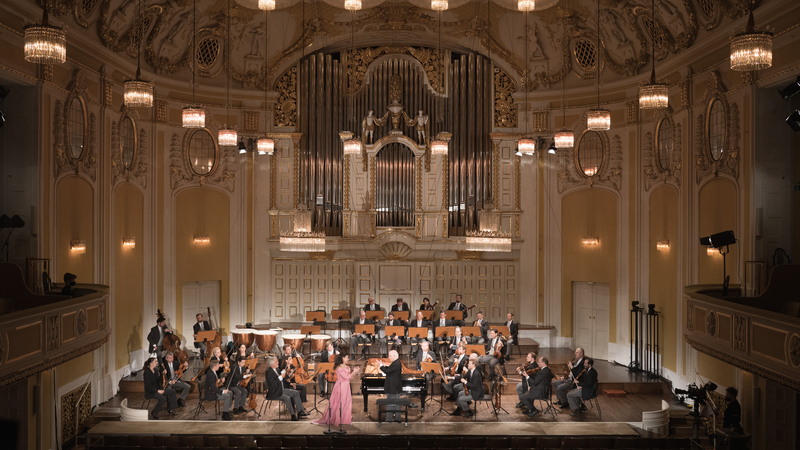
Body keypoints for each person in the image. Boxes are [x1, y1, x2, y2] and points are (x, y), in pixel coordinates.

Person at [311, 353, 360, 426]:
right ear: (342, 358)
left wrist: (355, 372)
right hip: (340, 386)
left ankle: (344, 419)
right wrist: (354, 372)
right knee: (340, 402)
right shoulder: (338, 368)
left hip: (346, 386)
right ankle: (337, 419)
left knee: (346, 402)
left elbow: (350, 377)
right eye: (346, 357)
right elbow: (346, 377)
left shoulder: (347, 367)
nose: (348, 359)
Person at [265, 356, 308, 421]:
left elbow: (284, 379)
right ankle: (293, 415)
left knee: (295, 393)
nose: (278, 362)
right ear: (272, 364)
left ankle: (300, 412)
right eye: (276, 362)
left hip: (281, 390)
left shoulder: (277, 370)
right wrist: (280, 377)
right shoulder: (268, 372)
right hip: (274, 392)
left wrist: (289, 379)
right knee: (287, 398)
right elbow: (272, 384)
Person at [377, 350, 403, 423]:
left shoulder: (396, 363)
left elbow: (387, 371)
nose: (389, 357)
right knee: (396, 404)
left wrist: (381, 366)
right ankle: (397, 419)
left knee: (390, 403)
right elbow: (390, 370)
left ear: (394, 356)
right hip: (395, 387)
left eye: (390, 356)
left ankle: (389, 419)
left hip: (393, 388)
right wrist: (383, 365)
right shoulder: (396, 362)